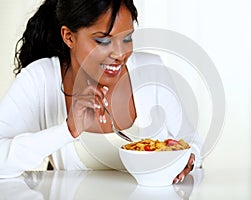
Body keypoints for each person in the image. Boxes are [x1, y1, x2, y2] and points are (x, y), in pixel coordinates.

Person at [0, 0, 201, 183]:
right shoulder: (40, 79)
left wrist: (187, 160)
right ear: (68, 37)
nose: (121, 54)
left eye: (127, 38)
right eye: (103, 41)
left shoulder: (151, 70)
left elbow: (191, 143)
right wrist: (67, 131)